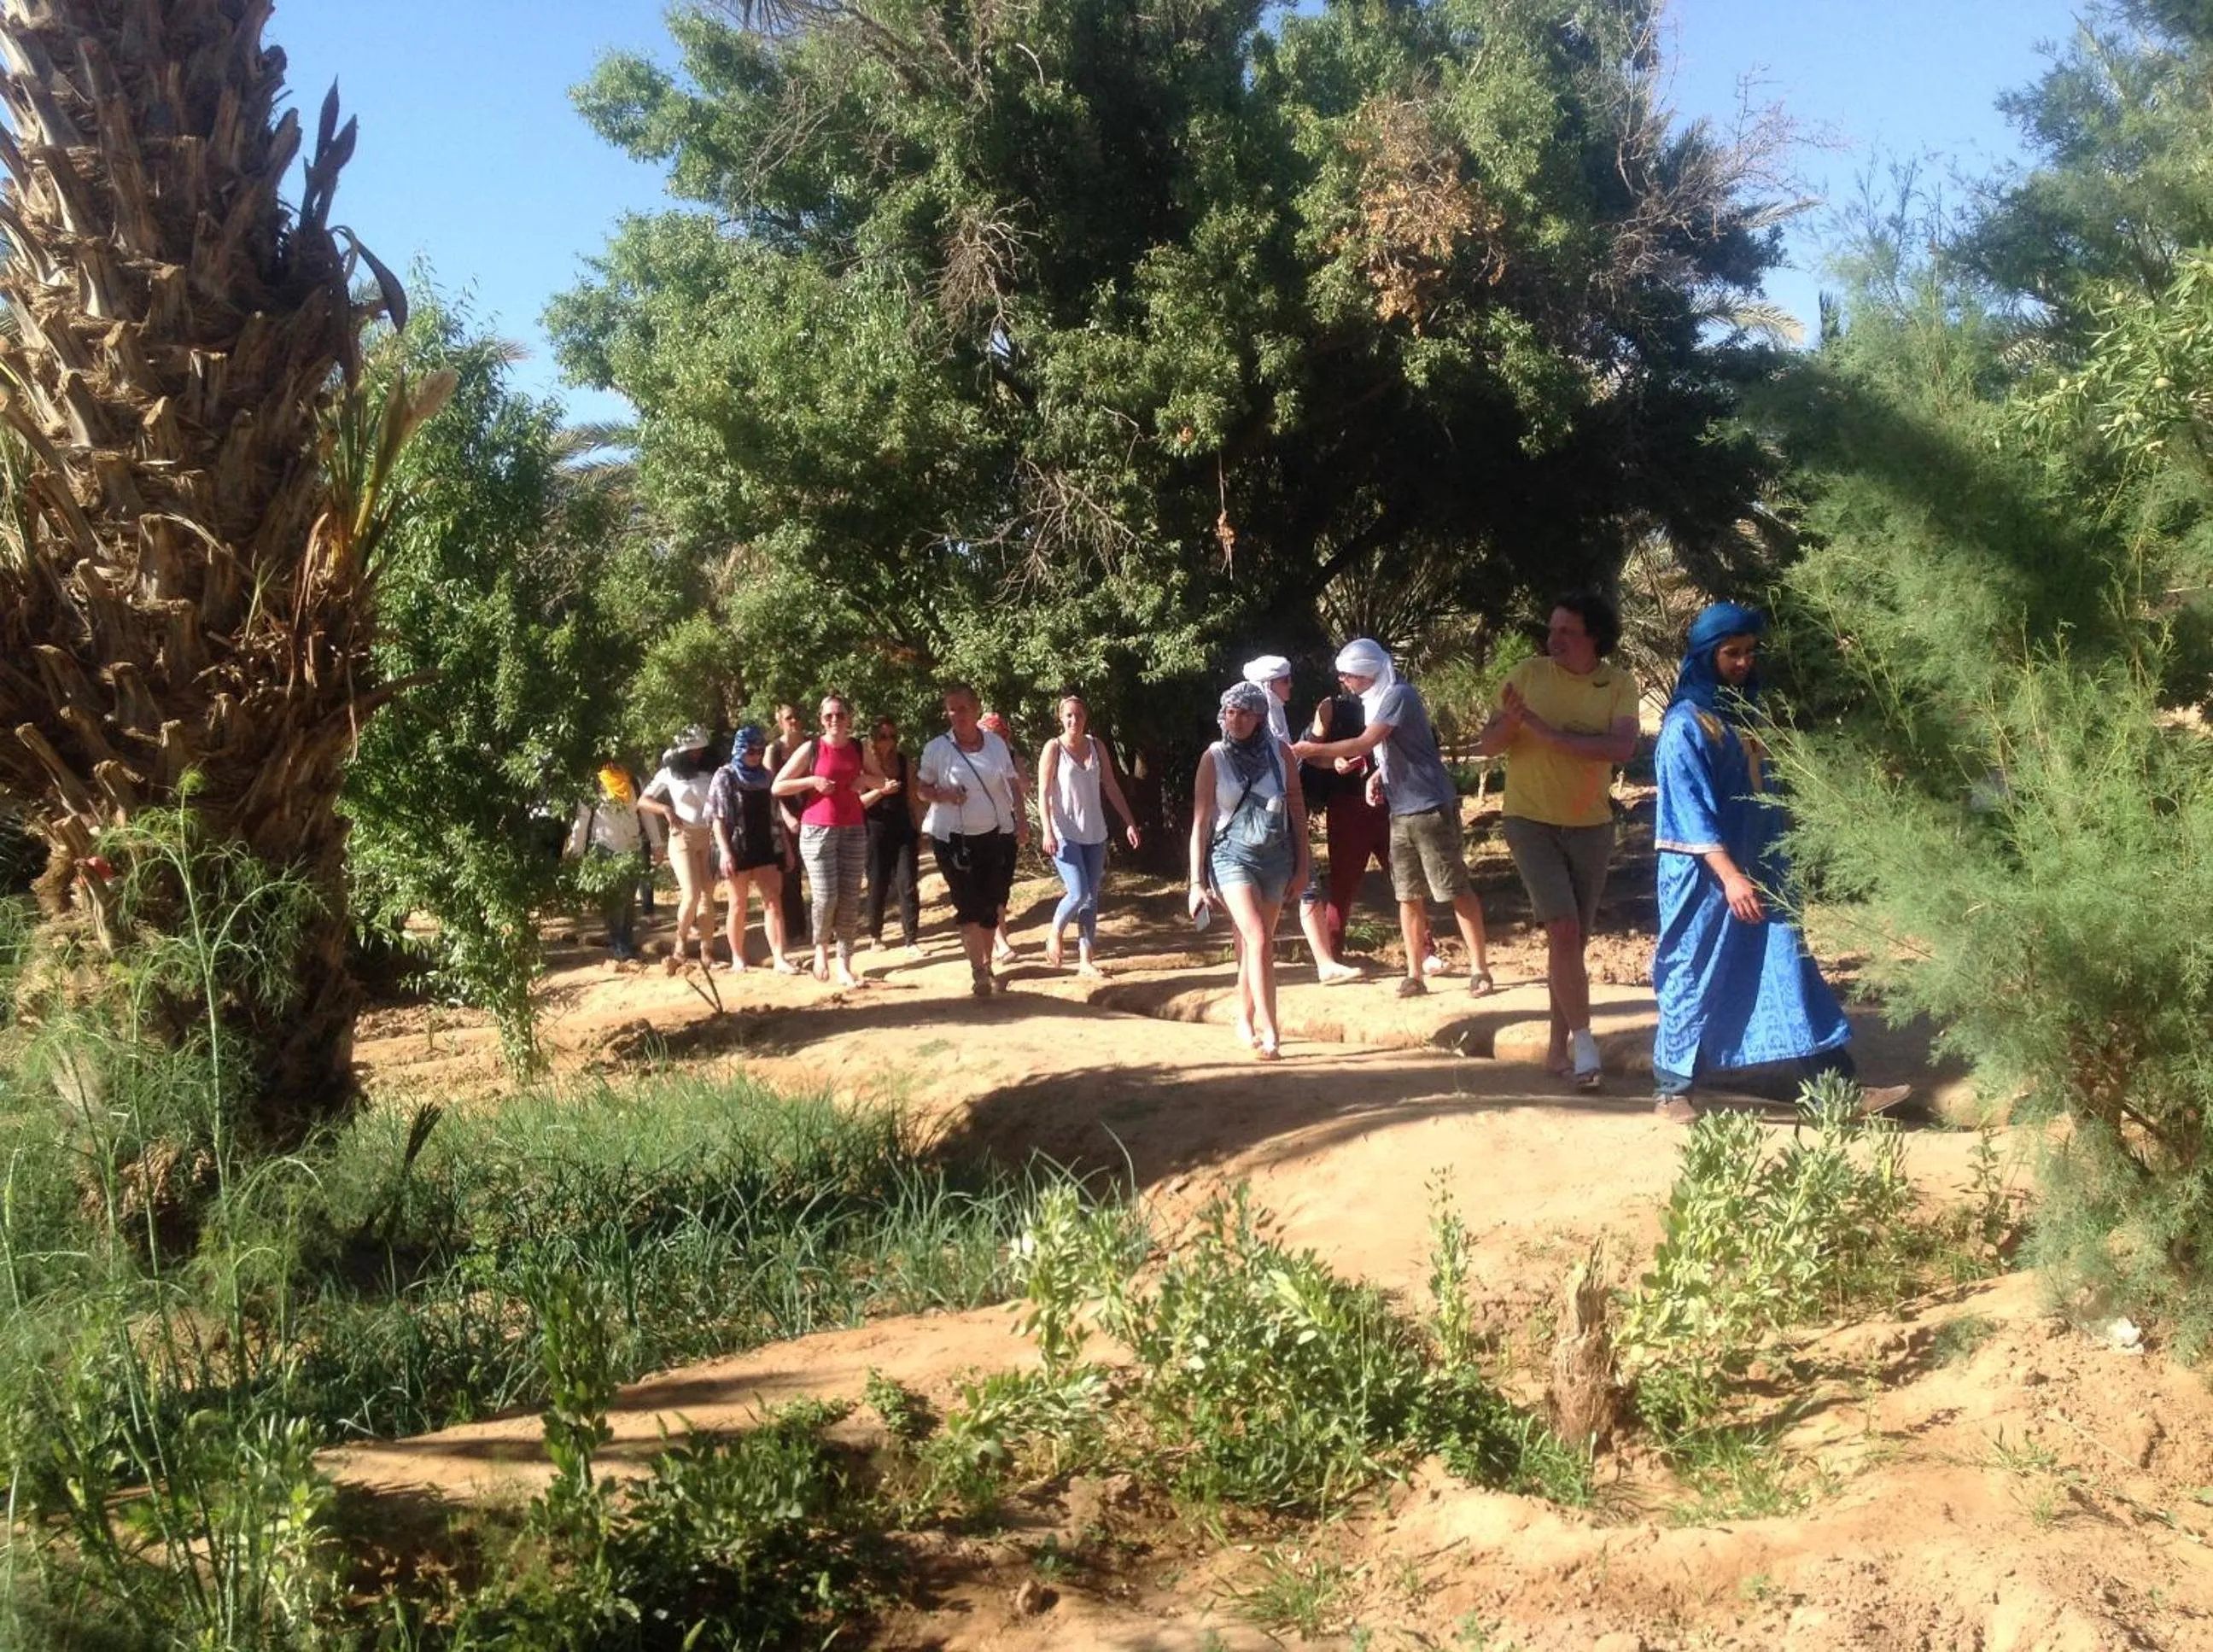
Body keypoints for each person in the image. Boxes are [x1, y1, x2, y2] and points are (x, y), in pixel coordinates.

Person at [1651, 604, 1899, 1121]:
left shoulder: (1747, 714)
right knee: (1693, 973)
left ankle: (1838, 1089)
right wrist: (1730, 875)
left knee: (1790, 967)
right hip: (1705, 881)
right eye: (1731, 653)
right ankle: (1672, 1089)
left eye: (1749, 652)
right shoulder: (1684, 726)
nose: (1743, 662)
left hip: (1763, 871)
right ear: (1706, 655)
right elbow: (1687, 810)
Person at [1476, 595, 1638, 1090]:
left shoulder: (1619, 683)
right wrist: (1511, 722)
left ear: (1594, 637)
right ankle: (1585, 1046)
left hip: (1591, 825)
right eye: (1553, 630)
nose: (1555, 640)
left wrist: (1549, 733)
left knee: (1570, 944)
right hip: (1529, 821)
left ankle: (1555, 1050)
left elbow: (1622, 747)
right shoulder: (1527, 674)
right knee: (1564, 932)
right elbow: (1487, 744)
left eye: (1567, 631)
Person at [1294, 639, 1495, 1001]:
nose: (1344, 681)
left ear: (1369, 672)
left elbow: (1365, 742)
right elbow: (1389, 750)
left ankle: (1480, 970)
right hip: (1401, 810)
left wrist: (1310, 750)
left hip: (1430, 806)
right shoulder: (1378, 700)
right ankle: (1415, 973)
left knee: (1454, 888)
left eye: (1349, 675)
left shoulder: (1398, 695)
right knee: (1408, 895)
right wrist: (1376, 776)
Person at [1190, 680, 1309, 1059]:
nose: (1236, 720)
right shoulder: (1214, 757)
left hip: (1276, 857)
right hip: (1230, 855)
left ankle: (1243, 1018)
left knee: (1254, 944)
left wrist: (1304, 866)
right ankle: (1272, 1033)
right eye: (1230, 712)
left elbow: (1297, 808)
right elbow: (1202, 821)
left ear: (1260, 717)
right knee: (1257, 938)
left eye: (1244, 713)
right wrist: (1195, 881)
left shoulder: (1281, 753)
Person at [918, 684, 1030, 998]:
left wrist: (1021, 822)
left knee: (992, 902)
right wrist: (944, 795)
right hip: (953, 838)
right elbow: (920, 789)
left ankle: (988, 963)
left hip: (997, 834)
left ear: (976, 708)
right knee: (967, 903)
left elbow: (1013, 784)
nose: (958, 715)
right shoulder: (937, 749)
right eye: (952, 709)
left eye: (963, 708)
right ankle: (978, 970)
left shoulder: (995, 745)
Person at [773, 693, 886, 986]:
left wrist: (865, 781)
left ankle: (845, 964)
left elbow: (882, 781)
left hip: (853, 828)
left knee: (849, 898)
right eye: (828, 716)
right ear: (821, 720)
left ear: (849, 718)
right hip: (817, 829)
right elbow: (778, 786)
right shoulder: (811, 748)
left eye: (840, 715)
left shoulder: (859, 748)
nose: (835, 720)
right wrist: (812, 781)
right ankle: (821, 950)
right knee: (826, 896)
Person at [1036, 693, 1142, 976]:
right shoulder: (1053, 748)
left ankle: (1086, 960)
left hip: (1095, 831)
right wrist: (1047, 830)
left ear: (1086, 718)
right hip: (1064, 832)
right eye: (1069, 715)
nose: (1074, 720)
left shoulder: (1097, 746)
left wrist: (1129, 822)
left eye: (1079, 715)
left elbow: (1111, 786)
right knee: (1079, 891)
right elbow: (1043, 792)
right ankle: (1055, 932)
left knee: (1091, 898)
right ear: (1061, 718)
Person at [708, 724, 797, 974]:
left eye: (759, 750)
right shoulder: (725, 776)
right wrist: (725, 852)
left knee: (773, 902)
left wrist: (788, 849)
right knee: (738, 904)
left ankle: (780, 958)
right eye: (751, 751)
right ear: (739, 749)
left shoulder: (767, 777)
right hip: (737, 847)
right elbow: (717, 818)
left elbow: (777, 815)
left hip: (767, 845)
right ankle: (738, 958)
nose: (756, 756)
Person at [636, 728, 718, 966]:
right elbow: (643, 800)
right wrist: (666, 810)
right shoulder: (669, 773)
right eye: (692, 750)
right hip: (682, 837)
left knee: (706, 896)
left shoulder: (711, 771)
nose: (697, 754)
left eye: (700, 749)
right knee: (691, 894)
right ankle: (680, 941)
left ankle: (707, 951)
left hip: (709, 837)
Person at [565, 763, 645, 960]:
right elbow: (582, 820)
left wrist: (658, 843)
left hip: (632, 848)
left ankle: (625, 941)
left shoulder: (633, 781)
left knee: (628, 900)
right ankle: (619, 945)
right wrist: (576, 851)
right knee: (614, 901)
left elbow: (644, 812)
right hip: (604, 849)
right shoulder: (593, 785)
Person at [861, 715, 922, 951]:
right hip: (875, 830)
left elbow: (913, 799)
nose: (888, 742)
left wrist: (920, 829)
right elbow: (858, 803)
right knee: (878, 883)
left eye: (893, 736)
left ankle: (911, 939)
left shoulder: (904, 763)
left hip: (903, 829)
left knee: (907, 883)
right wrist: (881, 791)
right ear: (874, 739)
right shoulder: (865, 766)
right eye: (883, 736)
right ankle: (875, 935)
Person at [765, 701, 811, 950]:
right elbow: (769, 789)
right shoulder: (773, 750)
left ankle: (826, 928)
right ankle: (796, 931)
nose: (794, 722)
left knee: (819, 873)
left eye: (797, 717)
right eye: (789, 717)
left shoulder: (811, 745)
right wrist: (786, 817)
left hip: (812, 812)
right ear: (779, 720)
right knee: (790, 875)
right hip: (785, 818)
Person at [979, 709, 1023, 961]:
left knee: (1003, 886)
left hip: (1007, 824)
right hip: (980, 828)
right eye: (987, 733)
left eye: (997, 734)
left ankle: (997, 942)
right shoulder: (971, 757)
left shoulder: (1012, 754)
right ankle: (1000, 942)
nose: (992, 738)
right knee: (989, 885)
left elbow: (1023, 784)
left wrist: (1023, 824)